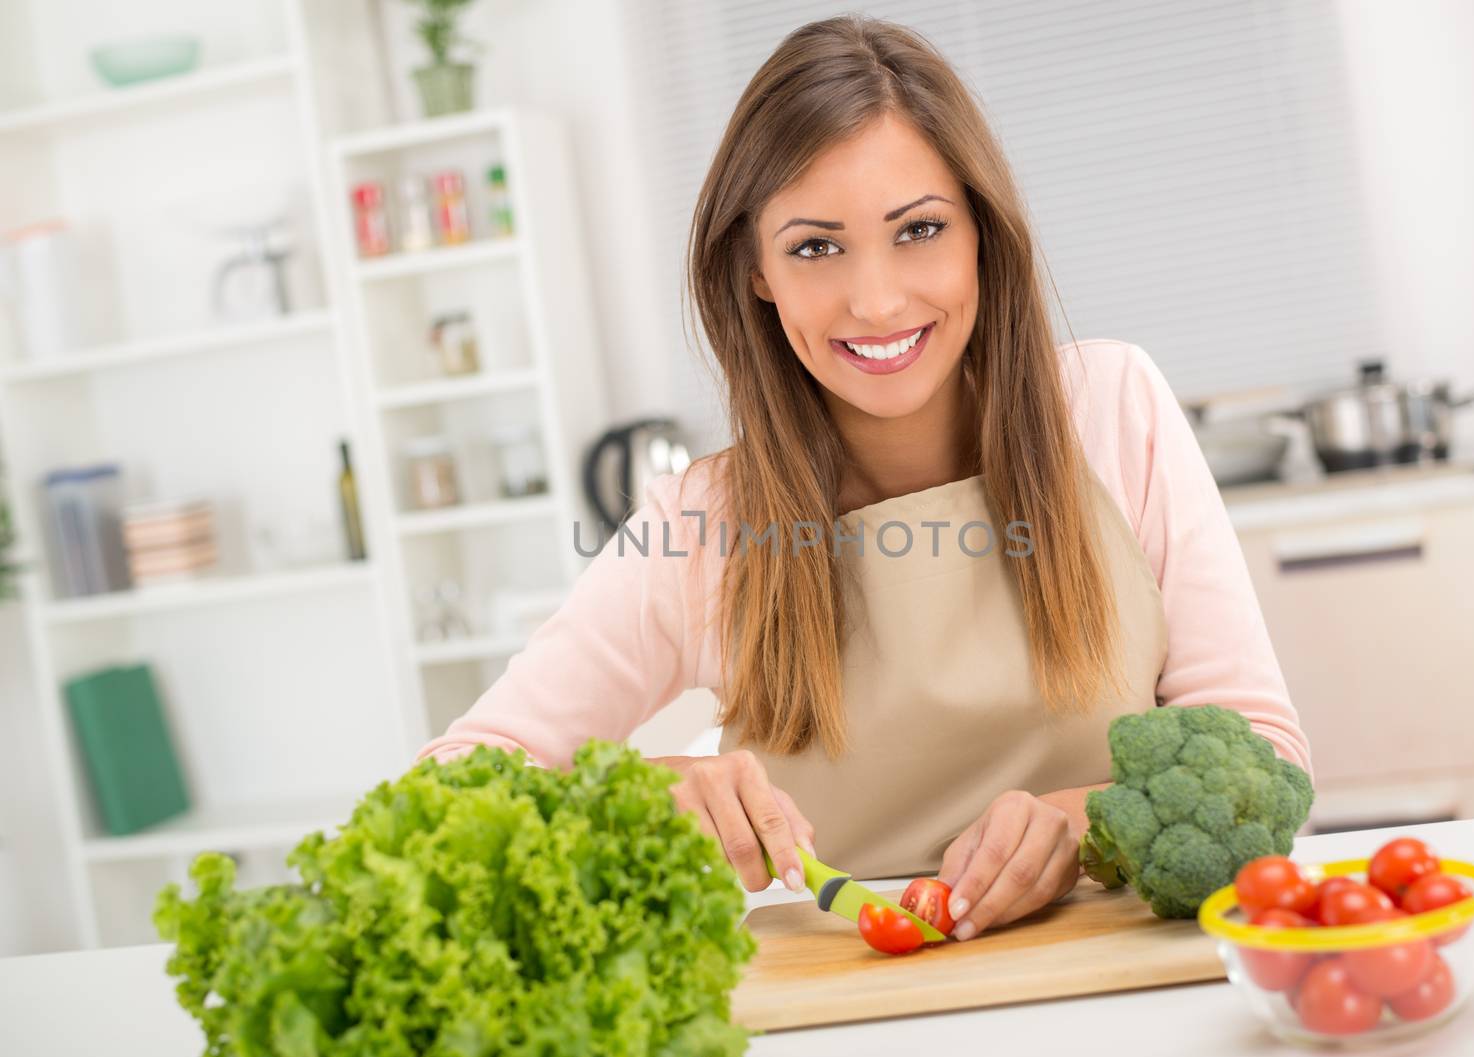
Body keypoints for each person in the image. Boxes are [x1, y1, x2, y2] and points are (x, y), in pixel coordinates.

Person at [414, 15, 1311, 944]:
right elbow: (448, 791)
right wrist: (627, 796)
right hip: (832, 1016)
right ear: (755, 271)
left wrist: (1087, 820)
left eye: (919, 229)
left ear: (980, 237)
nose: (877, 301)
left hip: (1118, 985)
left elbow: (1263, 756)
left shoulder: (1112, 409)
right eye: (814, 247)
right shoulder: (699, 524)